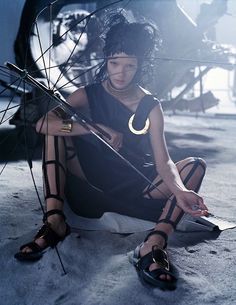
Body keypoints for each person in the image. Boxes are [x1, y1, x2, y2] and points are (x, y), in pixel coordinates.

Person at [14, 13, 208, 290]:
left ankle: (153, 245)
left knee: (196, 165)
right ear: (106, 60)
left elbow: (164, 160)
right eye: (115, 63)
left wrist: (179, 191)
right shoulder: (86, 94)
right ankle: (55, 221)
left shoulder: (151, 106)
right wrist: (91, 128)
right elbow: (44, 123)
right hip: (91, 181)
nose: (121, 72)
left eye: (129, 65)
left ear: (140, 65)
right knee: (56, 131)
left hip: (138, 186)